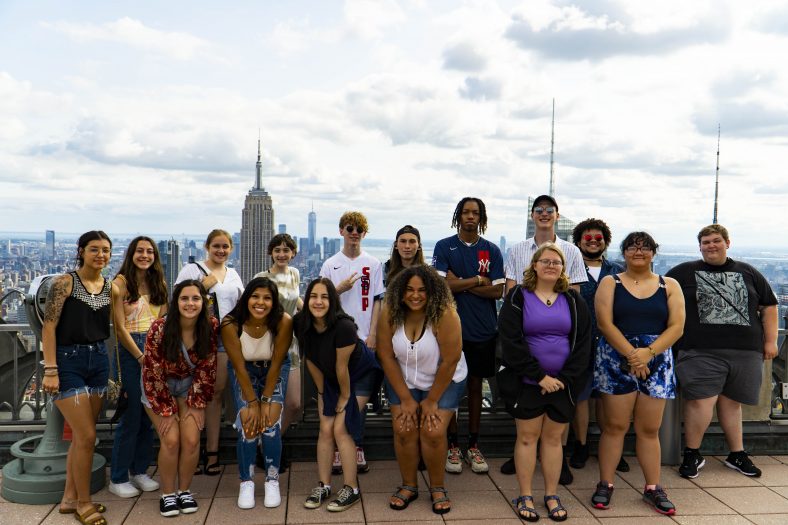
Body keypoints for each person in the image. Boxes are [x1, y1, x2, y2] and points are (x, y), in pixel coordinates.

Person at [666, 224, 778, 479]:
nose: (711, 246)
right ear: (700, 246)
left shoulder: (749, 272)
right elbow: (660, 298)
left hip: (745, 351)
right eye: (705, 242)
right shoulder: (683, 272)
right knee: (700, 401)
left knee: (732, 403)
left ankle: (737, 453)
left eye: (716, 241)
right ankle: (692, 453)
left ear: (728, 243)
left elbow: (769, 306)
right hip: (699, 350)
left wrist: (770, 341)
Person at [592, 232, 684, 516]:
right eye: (632, 247)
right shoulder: (610, 283)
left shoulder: (669, 285)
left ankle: (653, 487)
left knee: (648, 429)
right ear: (624, 253)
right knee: (614, 427)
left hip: (656, 361)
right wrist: (633, 355)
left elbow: (677, 327)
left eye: (645, 248)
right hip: (615, 358)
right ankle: (606, 483)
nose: (638, 252)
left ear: (654, 253)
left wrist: (648, 353)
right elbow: (605, 324)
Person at [498, 243, 592, 522]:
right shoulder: (518, 296)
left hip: (562, 386)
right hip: (527, 383)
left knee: (553, 441)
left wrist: (562, 380)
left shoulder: (574, 301)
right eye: (546, 261)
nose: (551, 266)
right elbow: (510, 341)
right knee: (527, 439)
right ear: (534, 266)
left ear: (564, 269)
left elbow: (583, 343)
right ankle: (525, 495)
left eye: (557, 262)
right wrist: (540, 376)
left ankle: (551, 494)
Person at [501, 195, 587, 481]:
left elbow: (574, 296)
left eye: (550, 210)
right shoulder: (517, 250)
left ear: (557, 215)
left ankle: (556, 462)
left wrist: (564, 375)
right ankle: (522, 457)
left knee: (554, 432)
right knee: (526, 431)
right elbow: (512, 293)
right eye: (539, 210)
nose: (544, 214)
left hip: (562, 371)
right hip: (527, 366)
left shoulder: (571, 251)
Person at [377, 266, 467, 515]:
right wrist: (405, 399)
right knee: (403, 428)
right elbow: (385, 355)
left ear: (432, 292)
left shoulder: (445, 314)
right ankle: (409, 485)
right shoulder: (390, 313)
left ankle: (437, 487)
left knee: (433, 430)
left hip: (445, 379)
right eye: (409, 290)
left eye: (421, 290)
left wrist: (432, 400)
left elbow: (450, 360)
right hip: (405, 379)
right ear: (400, 292)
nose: (415, 295)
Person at [42, 231, 113, 525]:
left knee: (81, 439)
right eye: (94, 249)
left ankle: (69, 499)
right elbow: (49, 326)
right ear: (81, 251)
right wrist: (50, 369)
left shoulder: (110, 286)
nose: (100, 255)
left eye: (105, 250)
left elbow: (117, 326)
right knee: (86, 436)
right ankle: (85, 503)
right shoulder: (64, 283)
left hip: (98, 359)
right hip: (67, 361)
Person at [295, 278, 382, 512]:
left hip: (361, 374)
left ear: (333, 301)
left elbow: (343, 367)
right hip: (330, 378)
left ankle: (351, 488)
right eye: (314, 296)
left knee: (340, 428)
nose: (318, 301)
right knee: (325, 428)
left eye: (325, 297)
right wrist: (324, 393)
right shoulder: (301, 323)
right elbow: (310, 359)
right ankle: (323, 485)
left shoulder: (344, 327)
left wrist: (343, 398)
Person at [432, 197, 504, 475]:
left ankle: (473, 445)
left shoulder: (492, 250)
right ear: (458, 216)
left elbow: (497, 291)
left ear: (481, 217)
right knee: (451, 388)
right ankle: (452, 446)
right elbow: (441, 287)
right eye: (466, 212)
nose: (470, 217)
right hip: (449, 332)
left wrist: (459, 282)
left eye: (475, 213)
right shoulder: (444, 246)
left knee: (475, 388)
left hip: (484, 330)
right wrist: (476, 280)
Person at [142, 279, 218, 517]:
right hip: (157, 387)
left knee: (192, 439)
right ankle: (167, 494)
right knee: (171, 439)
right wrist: (167, 410)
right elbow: (152, 370)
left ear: (203, 302)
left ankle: (184, 490)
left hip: (189, 387)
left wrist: (196, 405)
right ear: (176, 303)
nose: (190, 303)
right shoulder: (160, 328)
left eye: (196, 298)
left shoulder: (210, 326)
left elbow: (208, 366)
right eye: (184, 298)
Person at [319, 211, 385, 473]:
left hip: (365, 340)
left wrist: (374, 334)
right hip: (337, 340)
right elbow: (321, 300)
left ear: (364, 233)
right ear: (341, 231)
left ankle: (355, 445)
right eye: (350, 228)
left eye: (359, 229)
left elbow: (378, 300)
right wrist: (339, 289)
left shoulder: (373, 263)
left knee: (358, 399)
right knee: (340, 396)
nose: (354, 232)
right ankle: (344, 447)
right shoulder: (330, 264)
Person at [175, 229, 244, 475]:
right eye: (216, 246)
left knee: (215, 396)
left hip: (224, 338)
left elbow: (241, 308)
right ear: (207, 246)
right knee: (189, 394)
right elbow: (178, 301)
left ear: (231, 249)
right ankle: (189, 451)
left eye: (225, 246)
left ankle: (211, 451)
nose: (221, 250)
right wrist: (202, 287)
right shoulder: (191, 270)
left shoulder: (234, 275)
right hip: (195, 339)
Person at [222, 277, 292, 509]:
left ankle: (272, 479)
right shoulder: (231, 323)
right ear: (246, 298)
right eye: (255, 296)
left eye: (267, 298)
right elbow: (239, 366)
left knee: (270, 424)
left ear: (274, 302)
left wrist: (264, 401)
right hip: (245, 371)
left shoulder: (283, 321)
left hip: (273, 368)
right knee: (249, 424)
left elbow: (277, 363)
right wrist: (252, 402)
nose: (260, 302)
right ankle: (247, 481)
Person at [108, 236, 168, 498]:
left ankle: (140, 471)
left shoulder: (159, 284)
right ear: (131, 253)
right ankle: (119, 476)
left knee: (148, 415)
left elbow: (164, 320)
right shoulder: (119, 284)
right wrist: (141, 356)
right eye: (140, 251)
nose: (145, 255)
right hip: (131, 351)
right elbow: (119, 327)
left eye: (150, 251)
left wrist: (158, 354)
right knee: (131, 414)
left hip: (155, 347)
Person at [568, 219, 627, 472]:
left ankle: (611, 447)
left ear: (605, 241)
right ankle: (581, 445)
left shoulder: (618, 271)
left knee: (608, 397)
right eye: (588, 238)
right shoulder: (568, 270)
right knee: (580, 397)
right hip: (578, 342)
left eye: (598, 238)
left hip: (610, 343)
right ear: (579, 242)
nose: (593, 241)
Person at [255, 233, 303, 471]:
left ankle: (267, 443)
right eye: (277, 250)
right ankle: (270, 450)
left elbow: (297, 302)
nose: (282, 254)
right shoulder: (262, 278)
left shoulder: (295, 274)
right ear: (270, 253)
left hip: (293, 344)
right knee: (271, 401)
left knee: (294, 403)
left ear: (293, 253)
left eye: (286, 250)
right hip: (269, 345)